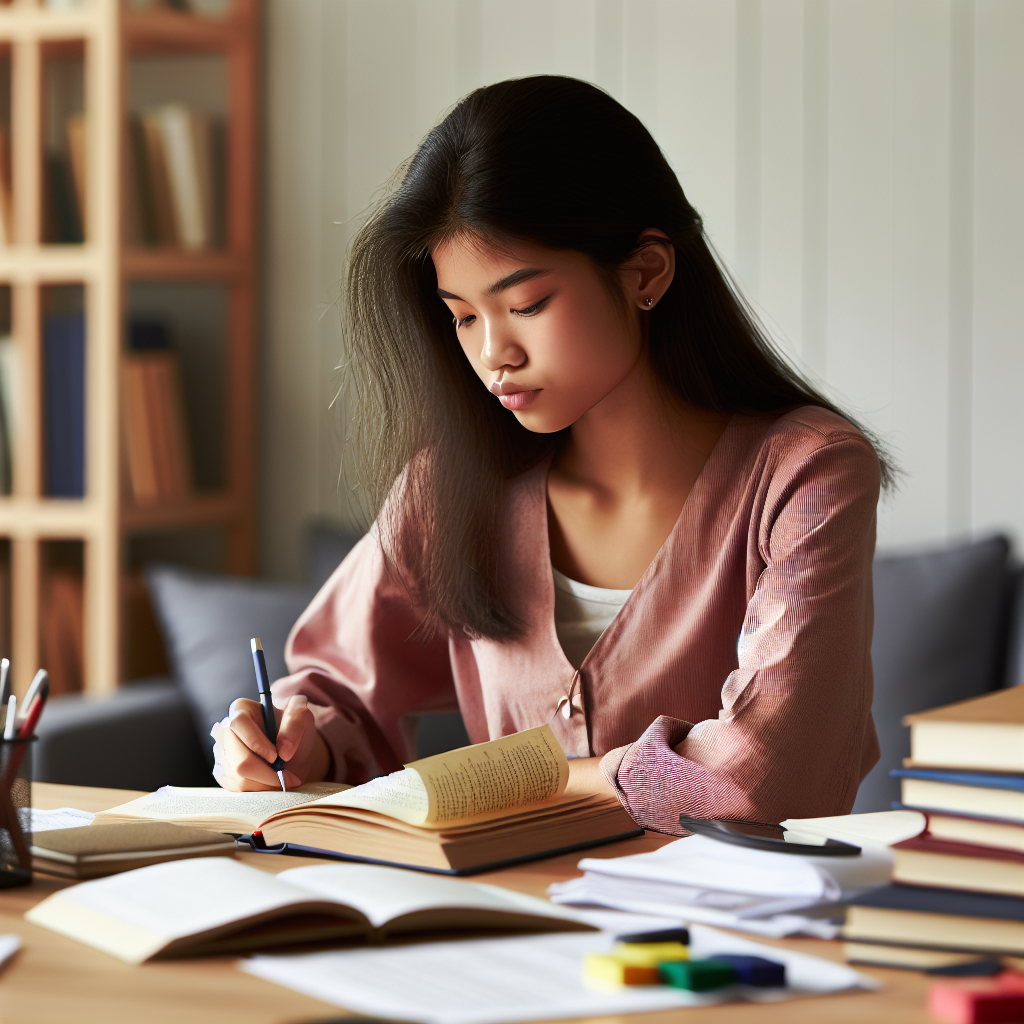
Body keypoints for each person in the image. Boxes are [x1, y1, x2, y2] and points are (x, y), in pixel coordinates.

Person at [212, 76, 890, 833]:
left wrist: (556, 780)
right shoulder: (448, 490)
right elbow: (333, 695)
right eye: (463, 317)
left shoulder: (806, 473)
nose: (494, 353)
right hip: (500, 924)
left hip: (721, 940)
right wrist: (292, 742)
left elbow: (769, 774)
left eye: (526, 305)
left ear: (646, 273)